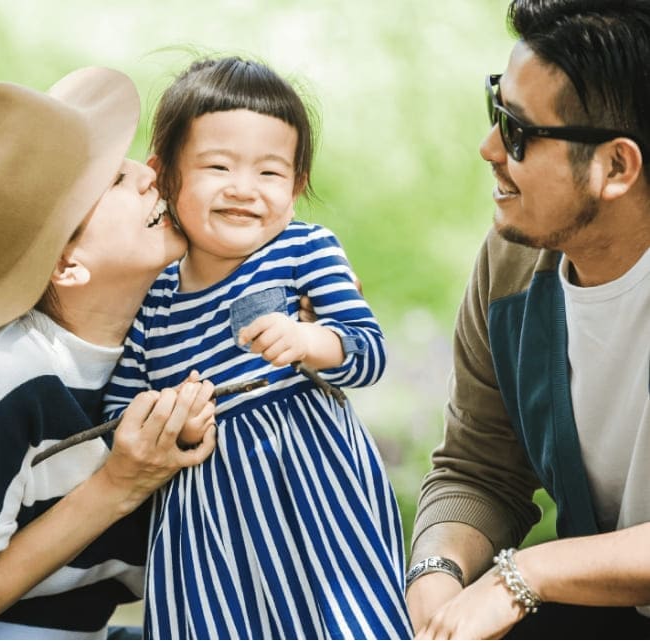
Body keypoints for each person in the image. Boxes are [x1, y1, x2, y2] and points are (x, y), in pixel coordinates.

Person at [0, 67, 217, 639]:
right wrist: (120, 482)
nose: (148, 175)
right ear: (67, 265)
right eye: (113, 182)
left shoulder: (161, 329)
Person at [103, 56, 413, 639]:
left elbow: (368, 352)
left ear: (295, 188)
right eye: (217, 166)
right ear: (165, 176)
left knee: (341, 619)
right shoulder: (155, 293)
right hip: (206, 510)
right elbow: (118, 411)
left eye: (271, 174)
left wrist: (309, 341)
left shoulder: (305, 250)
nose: (244, 190)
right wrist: (170, 425)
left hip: (313, 482)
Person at [407, 0, 650, 638]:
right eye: (496, 108)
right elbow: (478, 467)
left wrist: (525, 576)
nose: (488, 148)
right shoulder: (514, 262)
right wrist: (437, 575)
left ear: (616, 167)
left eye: (517, 132)